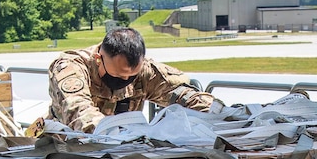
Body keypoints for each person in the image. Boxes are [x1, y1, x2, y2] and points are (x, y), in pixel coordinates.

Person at [48, 26, 214, 132]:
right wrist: (113, 135)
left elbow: (183, 94)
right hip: (62, 149)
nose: (125, 80)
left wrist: (221, 113)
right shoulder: (71, 67)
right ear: (99, 59)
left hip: (120, 151)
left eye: (131, 76)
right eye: (118, 75)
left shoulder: (145, 71)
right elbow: (78, 110)